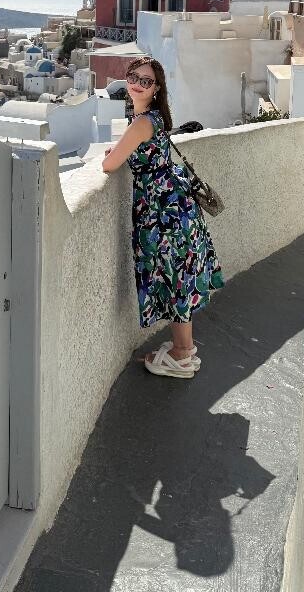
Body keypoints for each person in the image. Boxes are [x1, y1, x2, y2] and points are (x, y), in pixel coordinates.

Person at [102, 56, 224, 378]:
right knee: (178, 275)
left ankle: (182, 355)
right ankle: (184, 349)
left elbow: (109, 165)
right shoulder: (153, 117)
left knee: (174, 277)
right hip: (173, 205)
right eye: (133, 77)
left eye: (146, 81)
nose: (137, 84)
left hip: (162, 211)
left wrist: (115, 153)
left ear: (156, 88)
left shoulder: (142, 123)